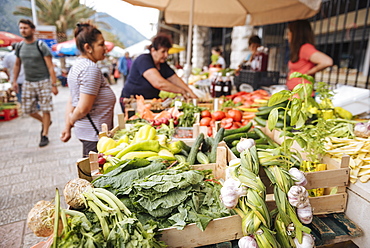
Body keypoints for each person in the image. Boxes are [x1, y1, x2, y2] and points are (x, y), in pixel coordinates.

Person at [60, 21, 116, 158]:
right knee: (95, 175)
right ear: (88, 47)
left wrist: (67, 126)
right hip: (94, 135)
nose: (105, 49)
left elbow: (72, 99)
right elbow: (83, 108)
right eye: (101, 45)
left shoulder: (77, 65)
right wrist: (71, 119)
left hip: (90, 133)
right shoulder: (90, 69)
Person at [120, 33, 197, 111]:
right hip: (131, 101)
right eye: (163, 52)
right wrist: (181, 91)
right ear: (153, 50)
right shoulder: (143, 60)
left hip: (150, 102)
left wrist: (190, 92)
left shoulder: (163, 64)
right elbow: (159, 83)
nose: (166, 55)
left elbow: (175, 79)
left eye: (167, 51)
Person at [12, 19, 58, 147]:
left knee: (45, 108)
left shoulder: (41, 45)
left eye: (25, 28)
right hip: (28, 82)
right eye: (21, 28)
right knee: (27, 109)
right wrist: (14, 81)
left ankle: (45, 134)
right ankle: (46, 121)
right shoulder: (20, 46)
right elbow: (17, 64)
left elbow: (50, 66)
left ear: (32, 30)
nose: (23, 30)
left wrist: (54, 84)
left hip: (43, 81)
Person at [286, 20, 333, 91]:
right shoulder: (300, 49)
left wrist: (308, 73)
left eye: (290, 31)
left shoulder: (305, 48)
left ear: (296, 34)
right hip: (295, 91)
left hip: (302, 93)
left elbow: (327, 61)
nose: (288, 34)